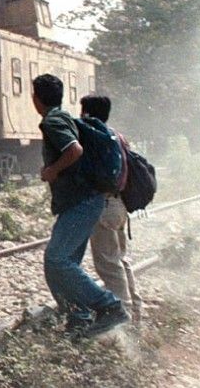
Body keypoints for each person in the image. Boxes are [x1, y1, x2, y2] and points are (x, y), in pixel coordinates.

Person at [33, 74, 128, 336]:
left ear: (36, 98)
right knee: (61, 266)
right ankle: (79, 317)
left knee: (57, 259)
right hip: (82, 201)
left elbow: (74, 150)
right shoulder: (61, 117)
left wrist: (52, 170)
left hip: (82, 202)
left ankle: (109, 306)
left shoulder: (53, 120)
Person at [82, 94, 143, 324]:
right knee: (121, 259)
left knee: (108, 264)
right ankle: (135, 308)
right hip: (119, 205)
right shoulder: (117, 136)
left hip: (104, 205)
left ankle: (123, 316)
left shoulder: (95, 137)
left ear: (87, 113)